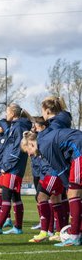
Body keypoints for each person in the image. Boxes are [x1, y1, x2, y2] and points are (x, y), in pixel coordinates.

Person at [36, 96, 81, 246]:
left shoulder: (44, 142)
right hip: (78, 150)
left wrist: (68, 185)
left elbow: (60, 168)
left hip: (79, 152)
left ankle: (74, 235)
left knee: (74, 193)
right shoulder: (61, 121)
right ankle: (77, 231)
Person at [0, 103, 32, 236]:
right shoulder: (16, 126)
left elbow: (17, 149)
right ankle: (17, 228)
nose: (6, 115)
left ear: (12, 113)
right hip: (12, 167)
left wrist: (6, 166)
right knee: (14, 196)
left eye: (7, 113)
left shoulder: (18, 127)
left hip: (12, 168)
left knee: (6, 196)